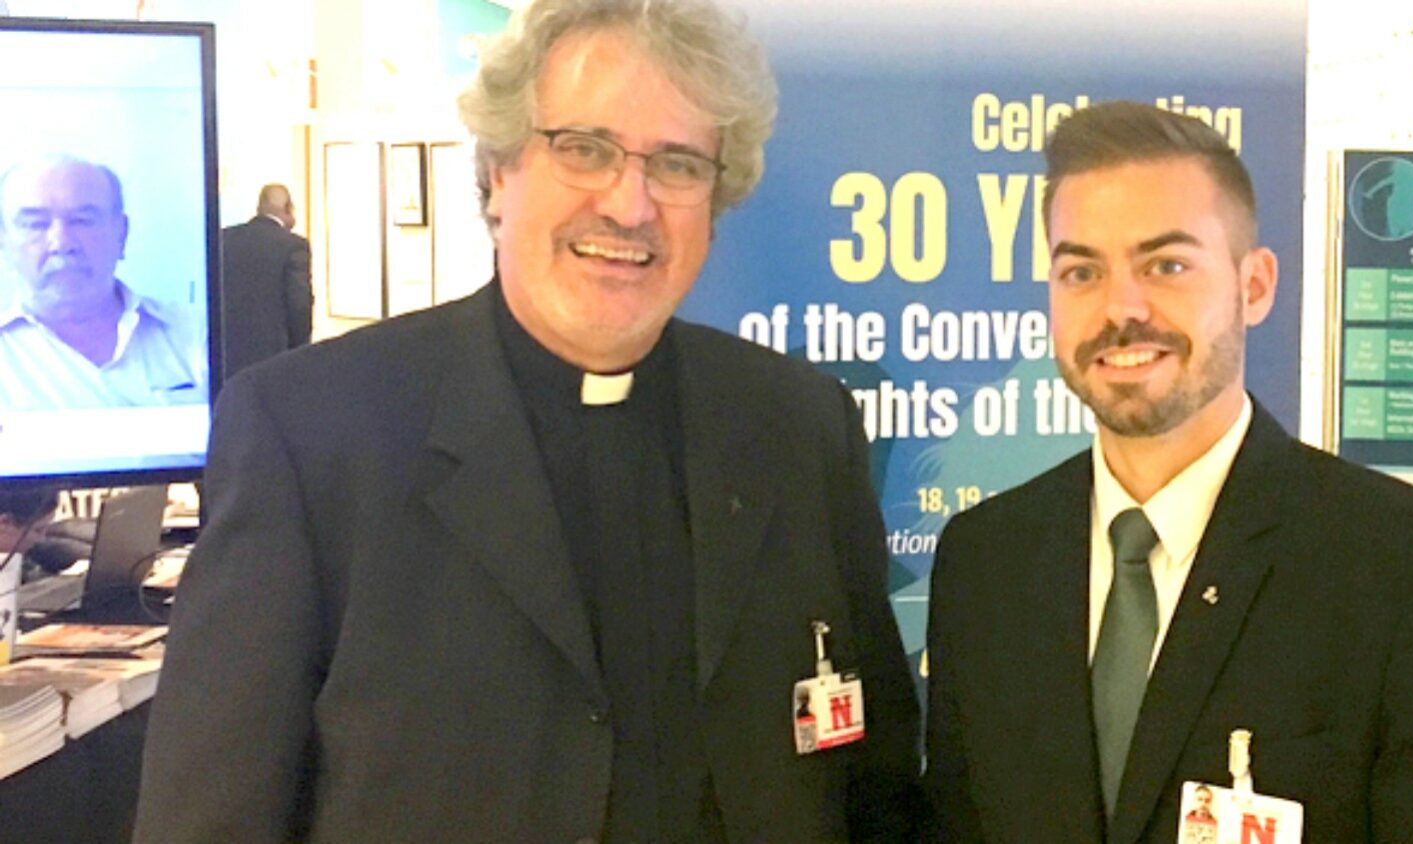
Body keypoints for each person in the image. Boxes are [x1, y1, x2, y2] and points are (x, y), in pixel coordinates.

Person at [135, 2, 922, 841]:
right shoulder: (313, 433)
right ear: (499, 170)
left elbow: (871, 790)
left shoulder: (800, 426)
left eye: (679, 164)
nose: (631, 203)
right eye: (584, 149)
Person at [923, 101, 1413, 842]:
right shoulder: (987, 561)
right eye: (1081, 270)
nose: (1121, 308)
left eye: (1167, 265)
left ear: (1255, 286)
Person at [0, 155, 205, 411]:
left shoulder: (197, 335)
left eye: (83, 221)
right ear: (4, 242)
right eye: (35, 224)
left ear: (122, 233)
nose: (62, 243)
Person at [219, 183, 312, 380]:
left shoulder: (225, 238)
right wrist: (301, 352)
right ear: (288, 209)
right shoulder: (294, 245)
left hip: (228, 354)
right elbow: (299, 306)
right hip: (273, 357)